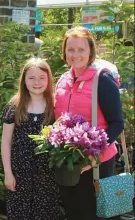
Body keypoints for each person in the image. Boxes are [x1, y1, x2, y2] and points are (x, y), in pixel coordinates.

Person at [54, 27, 124, 220]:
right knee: (73, 211)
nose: (75, 54)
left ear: (91, 51)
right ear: (64, 52)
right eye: (70, 49)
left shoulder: (102, 79)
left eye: (81, 49)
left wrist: (96, 155)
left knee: (94, 213)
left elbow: (117, 122)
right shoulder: (63, 80)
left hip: (96, 162)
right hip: (69, 162)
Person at [1, 58, 60, 220]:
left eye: (42, 78)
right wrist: (8, 173)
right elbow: (5, 143)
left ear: (48, 79)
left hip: (47, 175)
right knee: (19, 213)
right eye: (31, 78)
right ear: (24, 80)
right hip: (20, 174)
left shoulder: (55, 105)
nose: (37, 82)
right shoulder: (14, 106)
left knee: (45, 214)